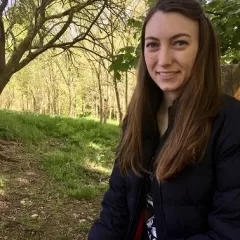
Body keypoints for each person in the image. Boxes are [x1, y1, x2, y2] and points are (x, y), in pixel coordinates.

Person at [88, 0, 240, 239]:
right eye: (153, 45)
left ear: (202, 48)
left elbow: (230, 230)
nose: (164, 59)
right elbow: (115, 208)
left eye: (179, 43)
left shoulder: (230, 122)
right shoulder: (136, 120)